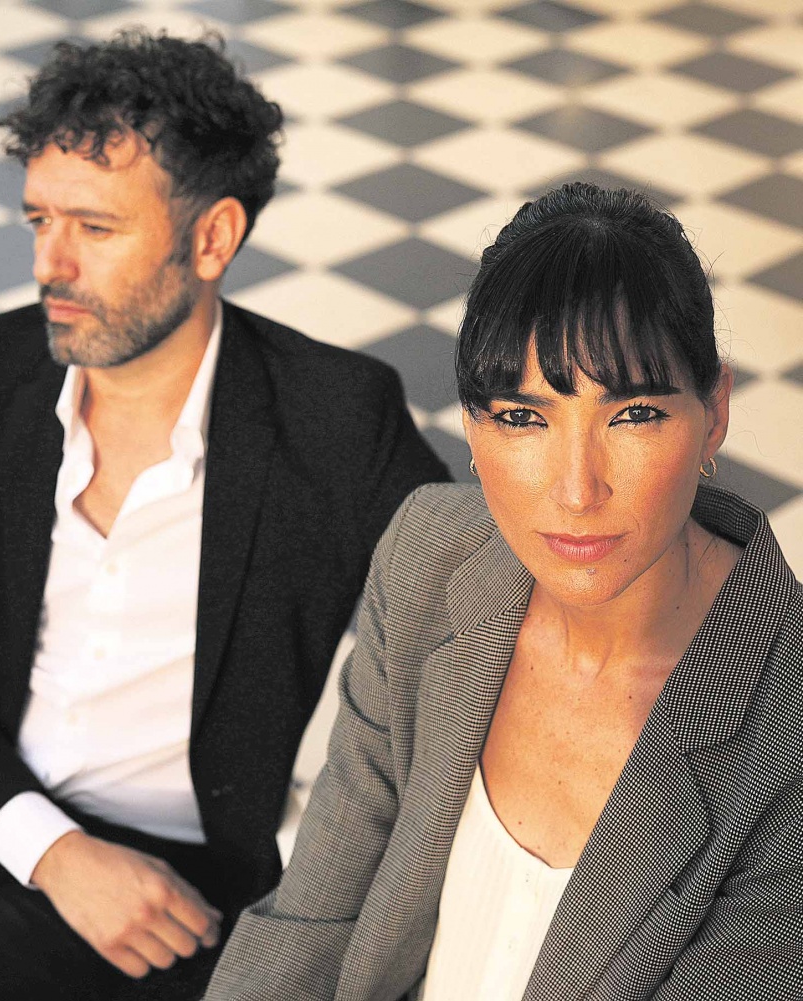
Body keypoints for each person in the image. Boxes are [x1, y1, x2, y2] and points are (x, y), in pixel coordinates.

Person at [0, 31, 449, 1001]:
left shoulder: (333, 417)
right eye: (38, 219)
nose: (49, 264)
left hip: (173, 877)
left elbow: (480, 607)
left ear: (213, 238)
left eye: (95, 228)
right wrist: (54, 850)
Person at [204, 182, 803, 1001]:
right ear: (472, 428)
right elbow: (312, 922)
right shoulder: (428, 557)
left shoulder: (786, 724)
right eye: (524, 417)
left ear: (715, 412)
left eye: (633, 414)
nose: (577, 489)